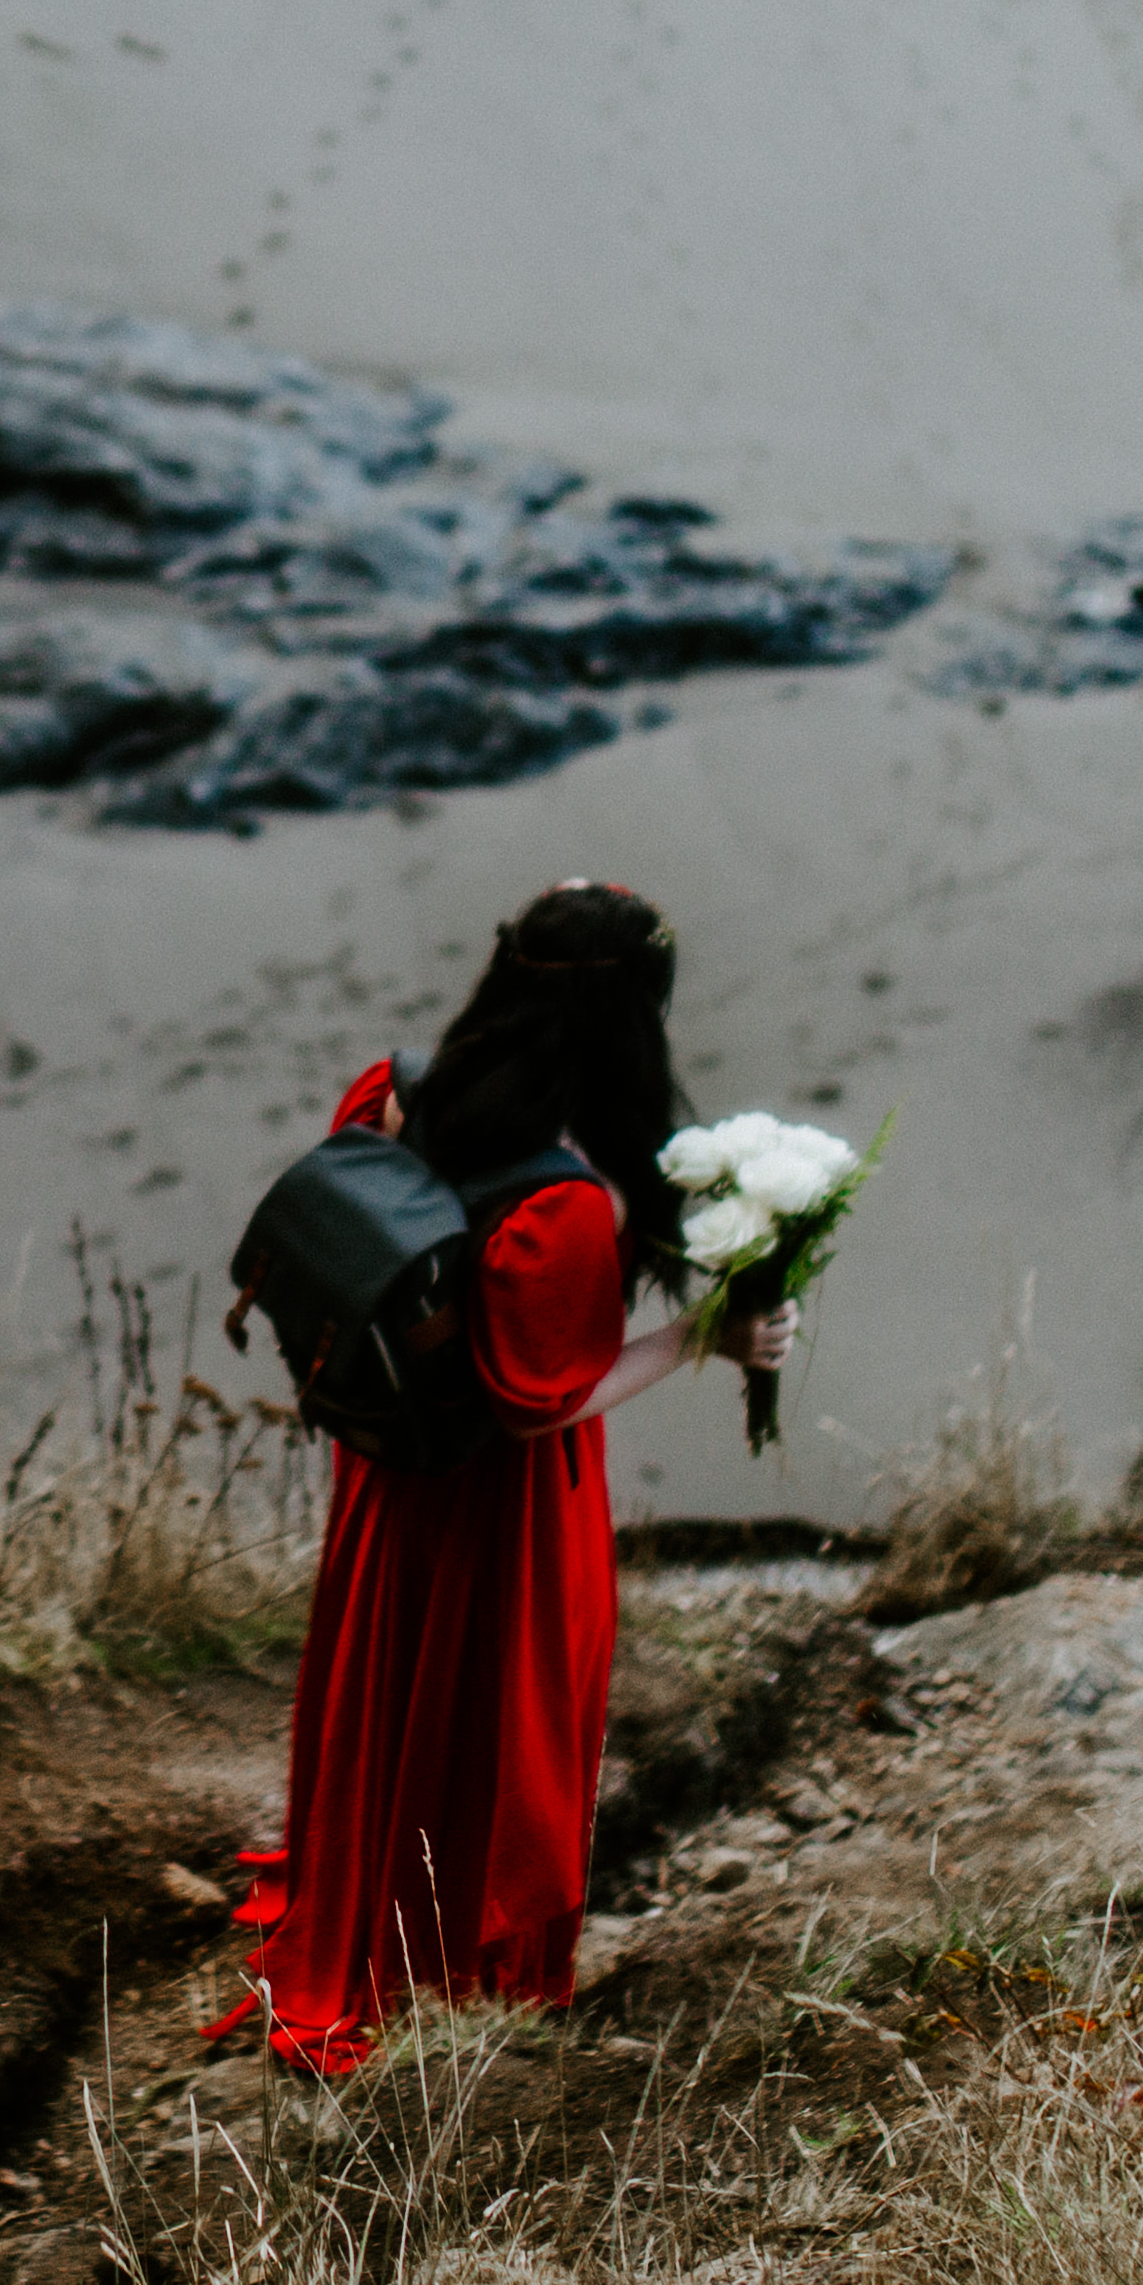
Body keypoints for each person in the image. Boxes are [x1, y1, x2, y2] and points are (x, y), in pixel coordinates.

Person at [240, 882, 788, 2077]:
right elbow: (543, 1400)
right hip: (511, 1516)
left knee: (392, 1702)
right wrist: (711, 1341)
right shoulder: (567, 1198)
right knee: (500, 1730)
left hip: (390, 1487)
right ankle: (462, 1973)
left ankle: (363, 1910)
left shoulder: (392, 1091)